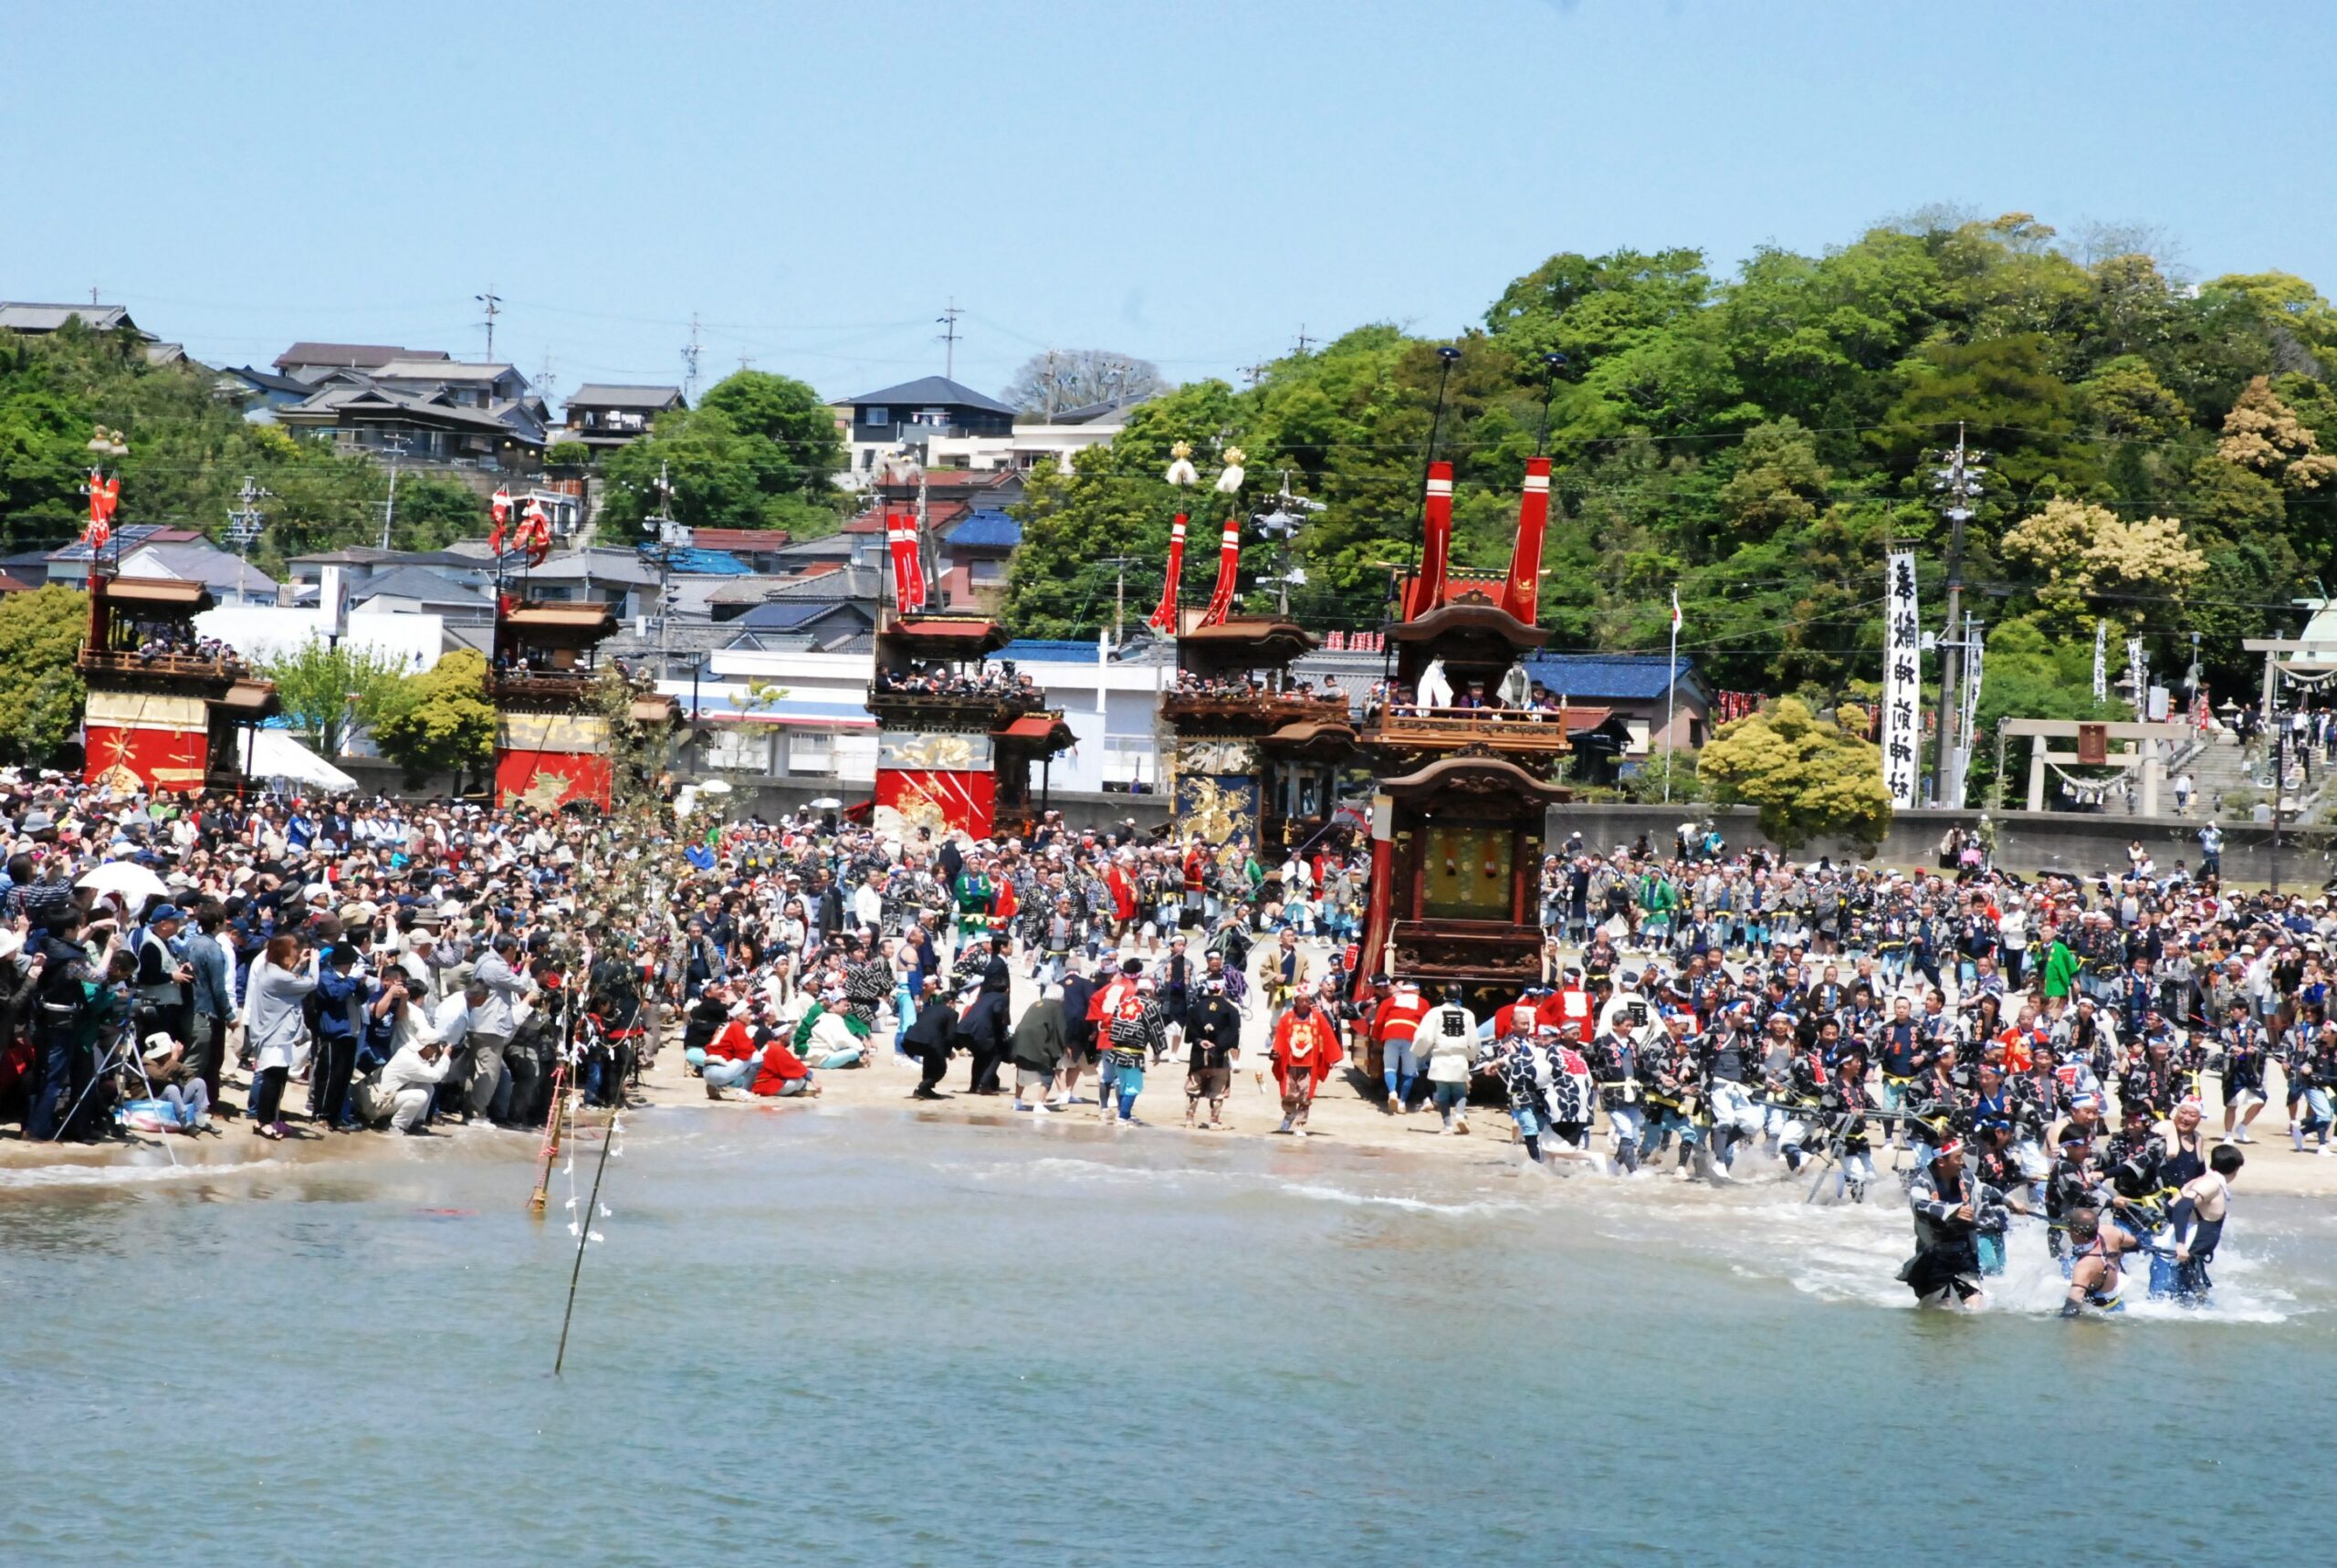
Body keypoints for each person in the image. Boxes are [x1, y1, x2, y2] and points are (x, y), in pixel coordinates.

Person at [1902, 1137, 2011, 1308]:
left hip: (1963, 1254)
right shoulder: (1923, 1183)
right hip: (1933, 1258)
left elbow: (1983, 1190)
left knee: (1976, 1305)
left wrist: (2009, 1202)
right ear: (1941, 1161)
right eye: (1958, 1158)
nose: (1962, 1162)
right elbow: (1920, 1205)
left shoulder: (1966, 1178)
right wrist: (1953, 1210)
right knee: (1942, 1309)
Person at [244, 935, 320, 1140]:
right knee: (272, 1078)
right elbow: (310, 983)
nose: (296, 951)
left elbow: (289, 982)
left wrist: (300, 964)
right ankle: (263, 1121)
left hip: (277, 1034)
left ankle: (269, 1119)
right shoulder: (274, 974)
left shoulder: (269, 969)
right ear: (281, 951)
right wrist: (315, 962)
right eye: (293, 948)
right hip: (273, 1034)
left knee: (277, 1078)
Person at [2166, 1143, 2243, 1303]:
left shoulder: (2201, 1181)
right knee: (2191, 1305)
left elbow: (2170, 1207)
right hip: (2187, 1256)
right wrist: (2180, 1243)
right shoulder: (2211, 1184)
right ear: (2235, 1170)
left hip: (2191, 1258)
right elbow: (2181, 1207)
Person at [1270, 984, 1340, 1136]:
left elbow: (1327, 1035)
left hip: (1310, 1063)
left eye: (1307, 1000)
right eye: (1300, 1000)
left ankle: (1300, 1125)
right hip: (1290, 1062)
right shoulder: (1287, 1018)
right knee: (1288, 1094)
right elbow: (1280, 1037)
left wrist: (1332, 1057)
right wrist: (1276, 1052)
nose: (1304, 1004)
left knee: (1305, 1094)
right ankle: (1289, 1113)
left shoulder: (1317, 1017)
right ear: (1295, 1000)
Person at [1416, 986, 1478, 1135]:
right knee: (1460, 1091)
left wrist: (1418, 1052)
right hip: (1460, 1057)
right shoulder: (1467, 1014)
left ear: (1444, 996)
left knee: (1442, 1094)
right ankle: (1460, 1115)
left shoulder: (1434, 1013)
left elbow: (1424, 1036)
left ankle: (1448, 1126)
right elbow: (1474, 1040)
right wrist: (1472, 1056)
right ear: (1460, 995)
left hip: (1440, 1057)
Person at [1184, 975, 1242, 1129]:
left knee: (1194, 1089)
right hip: (1219, 1057)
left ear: (1207, 988)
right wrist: (1219, 1046)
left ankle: (1190, 1119)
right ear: (1223, 989)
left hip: (1198, 1055)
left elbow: (1189, 1034)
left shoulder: (1195, 1008)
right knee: (1218, 1091)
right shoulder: (1231, 1009)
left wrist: (1200, 1041)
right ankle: (1214, 1121)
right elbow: (1234, 1036)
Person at [1007, 984, 1069, 1113]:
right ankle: (1039, 1104)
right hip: (1037, 1042)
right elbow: (1061, 1029)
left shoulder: (1035, 1004)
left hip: (1020, 1041)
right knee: (1048, 1073)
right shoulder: (1056, 1007)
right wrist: (1066, 1046)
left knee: (1022, 1070)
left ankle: (1017, 1102)